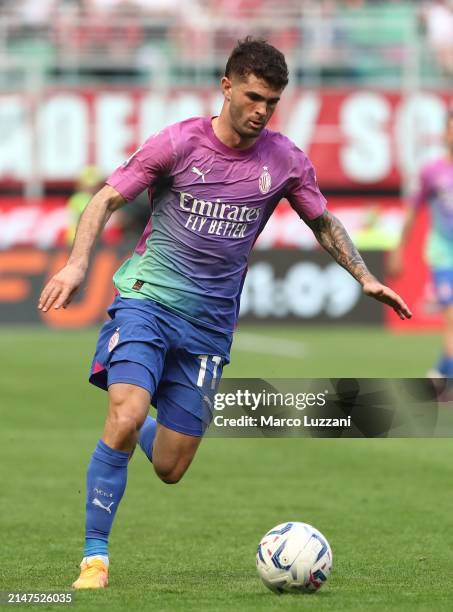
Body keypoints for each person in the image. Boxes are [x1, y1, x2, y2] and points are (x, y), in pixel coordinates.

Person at [38, 37, 411, 590]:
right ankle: (95, 559)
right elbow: (105, 199)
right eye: (255, 96)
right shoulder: (178, 143)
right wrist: (75, 265)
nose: (262, 110)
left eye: (273, 102)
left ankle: (143, 424)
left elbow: (323, 222)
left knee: (171, 466)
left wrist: (365, 277)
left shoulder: (284, 160)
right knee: (122, 415)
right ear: (227, 85)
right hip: (146, 300)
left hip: (209, 328)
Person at [389, 110, 453, 378]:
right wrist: (398, 249)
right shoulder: (432, 171)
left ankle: (441, 371)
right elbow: (413, 211)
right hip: (444, 254)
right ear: (446, 133)